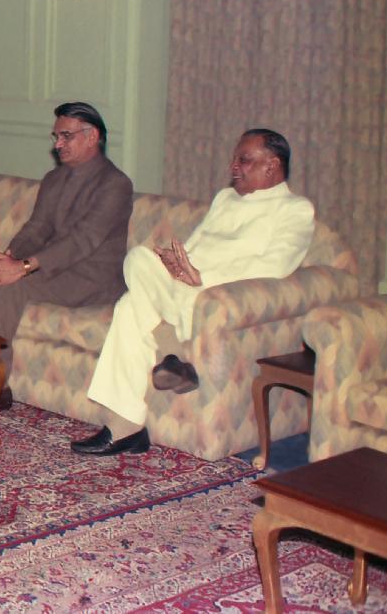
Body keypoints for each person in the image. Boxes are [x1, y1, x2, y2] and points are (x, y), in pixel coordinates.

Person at [71, 129, 315, 456]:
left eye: (244, 160)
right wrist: (175, 263)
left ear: (272, 165)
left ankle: (126, 425)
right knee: (139, 258)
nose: (234, 166)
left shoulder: (294, 209)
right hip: (181, 287)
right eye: (235, 159)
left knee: (129, 307)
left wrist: (204, 277)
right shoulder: (225, 199)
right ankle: (172, 357)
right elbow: (197, 245)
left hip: (213, 293)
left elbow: (276, 265)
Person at [0, 101, 133, 415]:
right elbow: (38, 227)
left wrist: (23, 268)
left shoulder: (115, 184)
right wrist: (9, 257)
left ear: (92, 136)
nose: (58, 144)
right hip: (55, 268)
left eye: (66, 136)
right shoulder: (55, 179)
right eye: (56, 136)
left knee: (10, 286)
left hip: (92, 278)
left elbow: (82, 241)